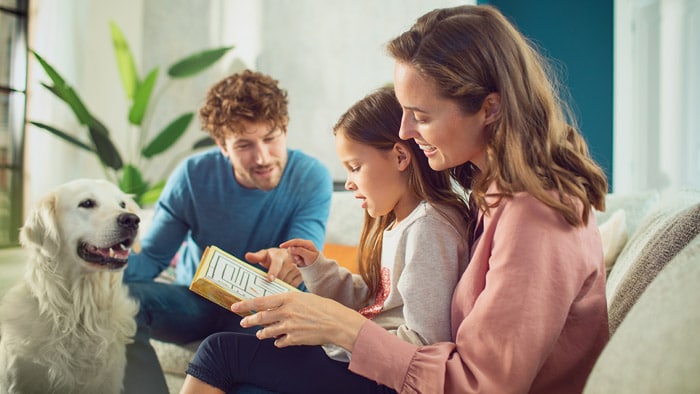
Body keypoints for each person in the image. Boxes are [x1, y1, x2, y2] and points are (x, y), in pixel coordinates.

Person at [204, 5, 611, 394]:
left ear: (490, 108)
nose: (404, 130)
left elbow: (484, 385)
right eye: (403, 112)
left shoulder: (536, 216)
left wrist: (341, 326)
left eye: (422, 115)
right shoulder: (489, 197)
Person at [179, 86, 472, 393]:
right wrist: (318, 269)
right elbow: (379, 302)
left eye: (355, 168)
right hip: (364, 362)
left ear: (400, 156)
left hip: (382, 378)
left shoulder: (428, 228)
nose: (348, 183)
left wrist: (336, 331)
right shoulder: (402, 224)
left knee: (220, 352)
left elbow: (426, 346)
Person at [122, 69, 333, 393]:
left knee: (249, 380)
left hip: (264, 309)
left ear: (285, 129)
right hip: (195, 303)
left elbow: (303, 252)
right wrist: (85, 272)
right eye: (245, 144)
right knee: (115, 302)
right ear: (222, 145)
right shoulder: (193, 176)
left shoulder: (311, 177)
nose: (262, 157)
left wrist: (290, 258)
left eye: (270, 138)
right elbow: (152, 257)